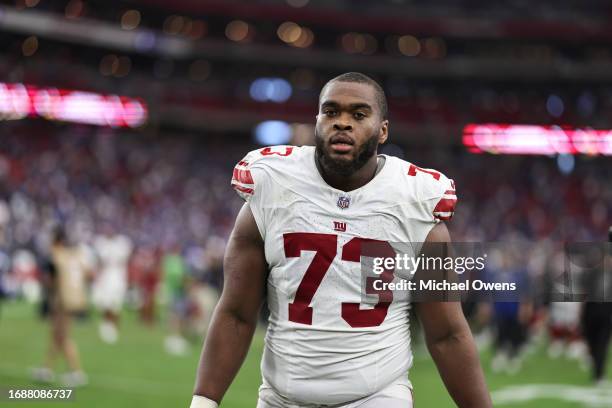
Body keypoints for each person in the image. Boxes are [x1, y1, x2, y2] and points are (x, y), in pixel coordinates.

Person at [190, 72, 491, 407]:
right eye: (331, 112)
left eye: (359, 115)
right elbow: (236, 313)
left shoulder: (416, 203)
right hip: (282, 398)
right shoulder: (273, 187)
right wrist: (204, 401)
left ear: (383, 129)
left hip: (376, 397)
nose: (342, 123)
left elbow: (447, 334)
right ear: (317, 121)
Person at [32, 227, 89, 387]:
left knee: (63, 337)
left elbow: (49, 280)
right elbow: (88, 274)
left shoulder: (56, 256)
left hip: (62, 300)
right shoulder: (74, 255)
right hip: (74, 298)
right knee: (56, 335)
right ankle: (46, 369)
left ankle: (77, 372)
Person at [91, 224, 133, 344]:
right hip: (105, 277)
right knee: (104, 303)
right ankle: (107, 326)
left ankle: (114, 328)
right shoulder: (101, 243)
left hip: (118, 278)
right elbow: (99, 261)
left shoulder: (122, 243)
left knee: (116, 305)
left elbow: (125, 260)